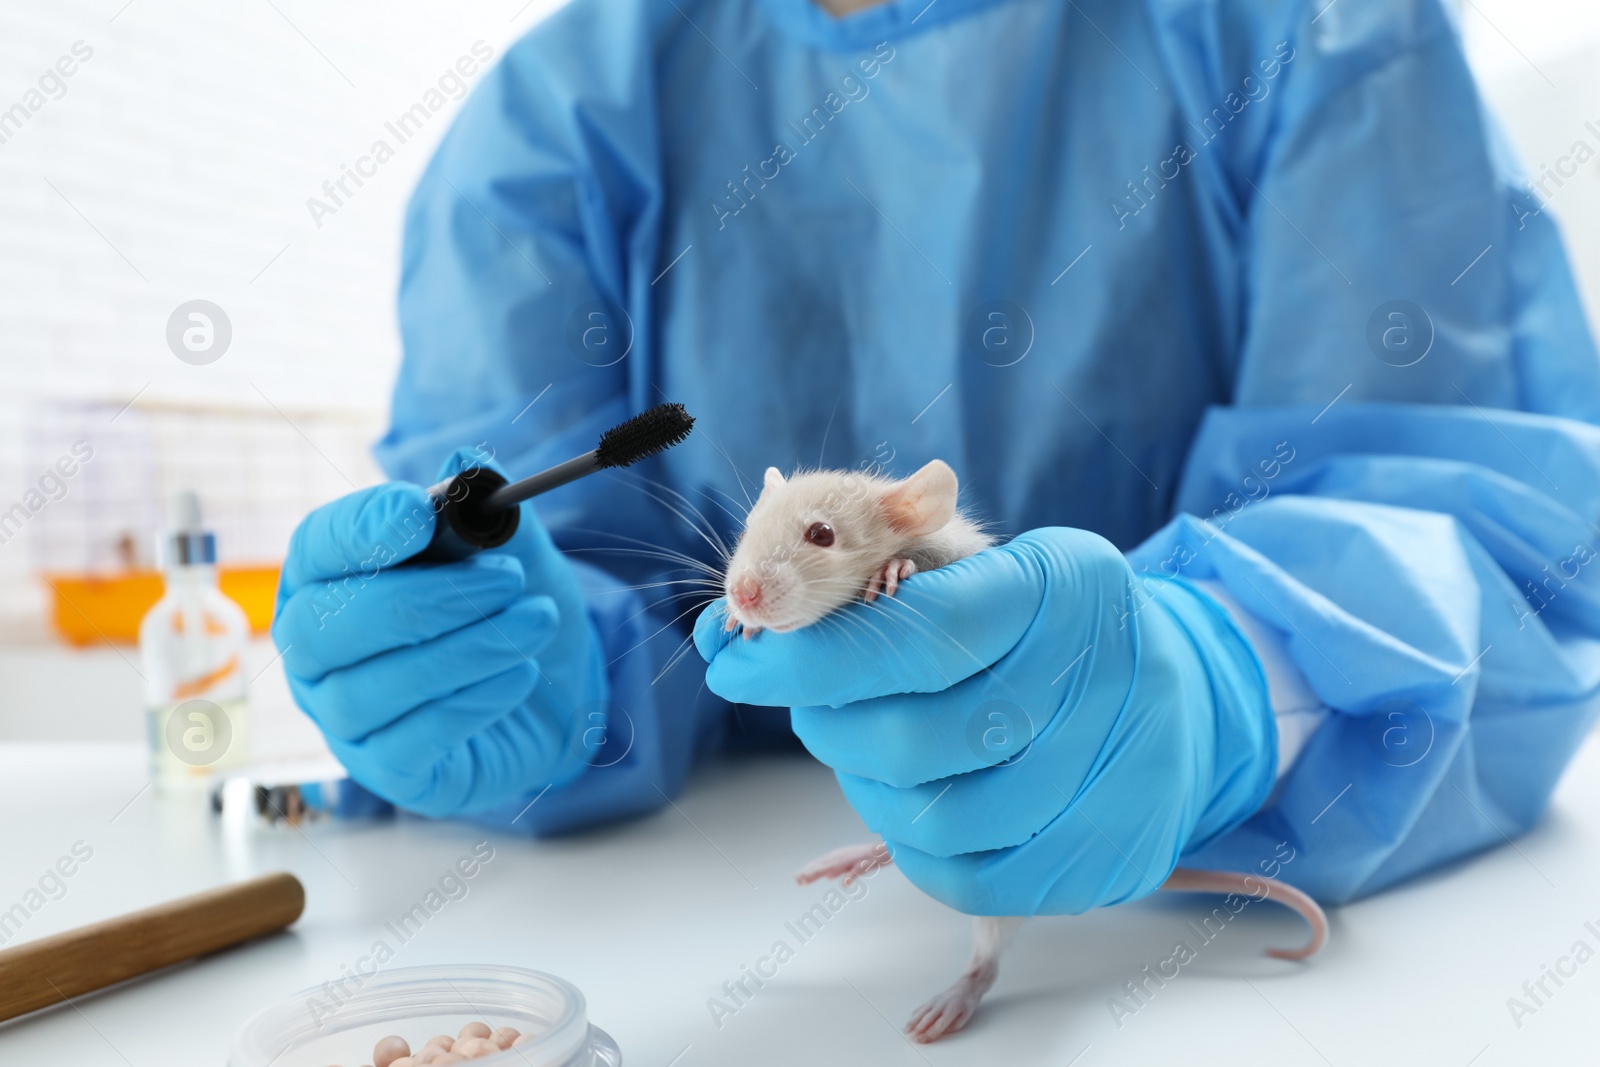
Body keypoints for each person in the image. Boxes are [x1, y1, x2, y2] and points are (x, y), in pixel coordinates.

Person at [271, 0, 1600, 913]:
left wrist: (1245, 676)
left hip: (1187, 914)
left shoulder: (1308, 34)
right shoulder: (567, 108)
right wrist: (491, 664)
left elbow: (1490, 524)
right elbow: (566, 559)